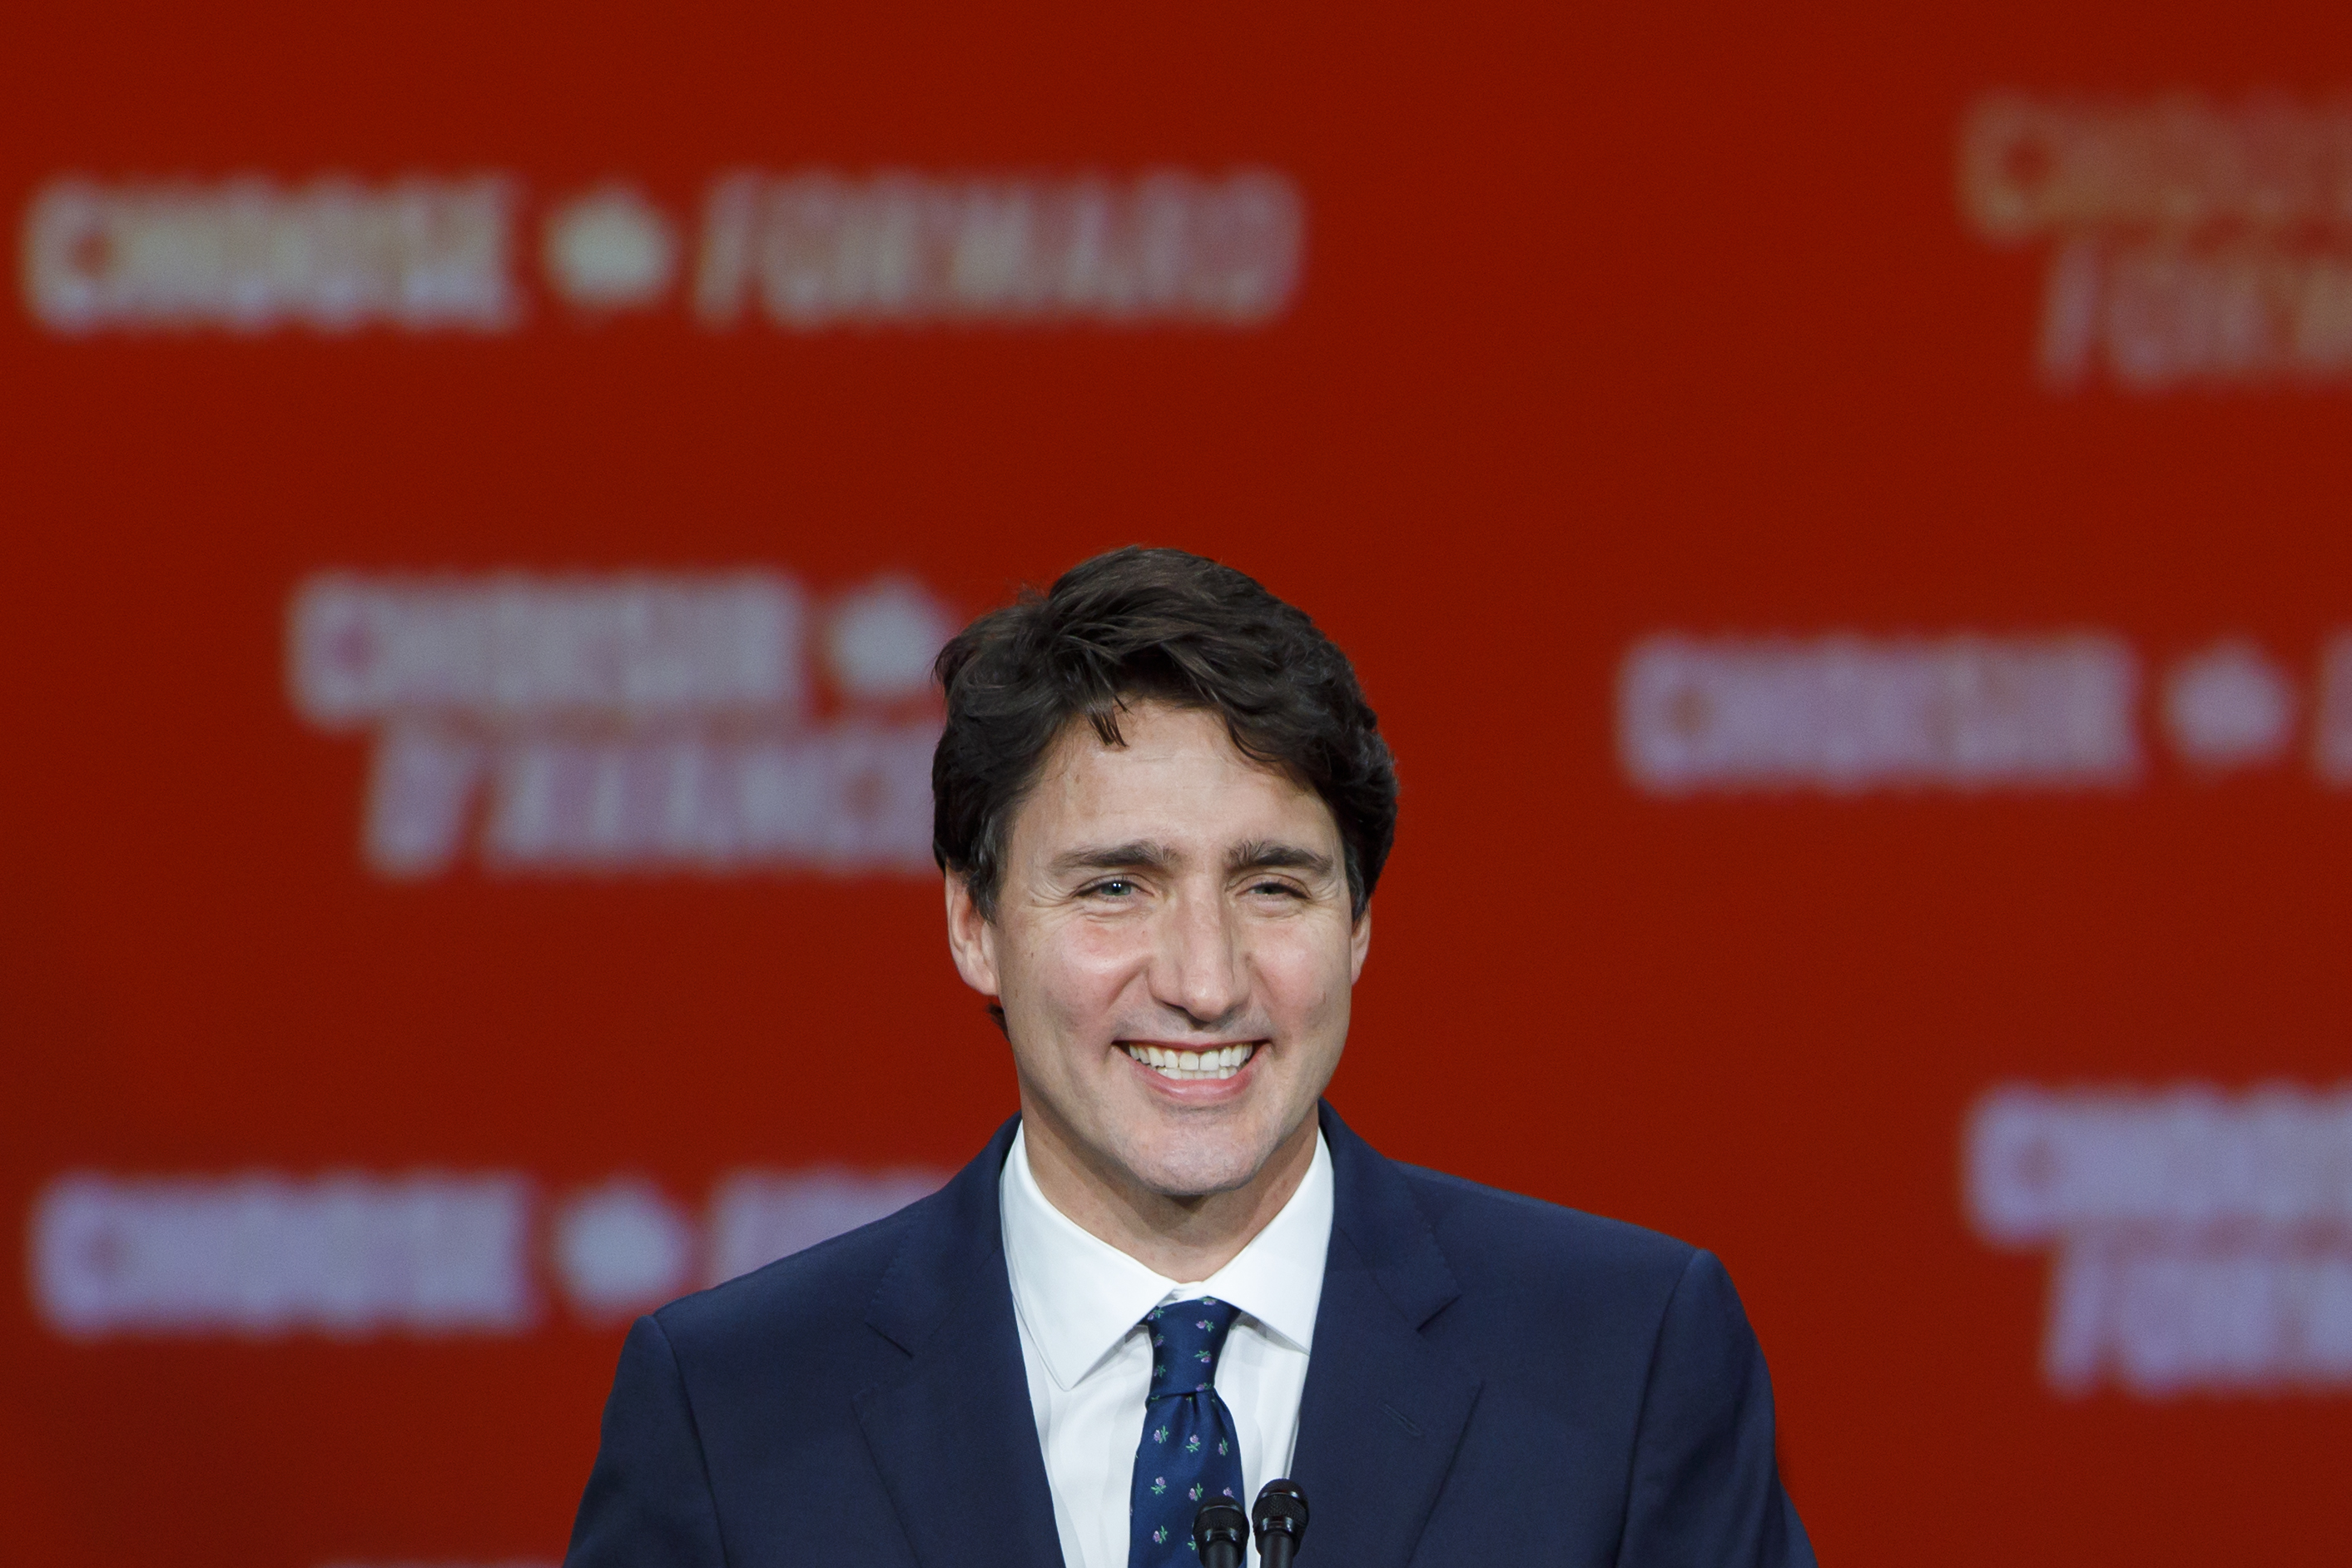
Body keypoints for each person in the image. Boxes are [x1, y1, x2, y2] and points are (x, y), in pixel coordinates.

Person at [563, 547, 1814, 1567]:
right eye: (1116, 886)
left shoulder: (1629, 1358)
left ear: (1359, 925)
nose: (1204, 982)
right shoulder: (732, 1410)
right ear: (972, 925)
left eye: (1274, 886)